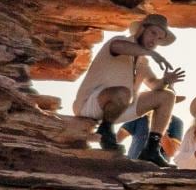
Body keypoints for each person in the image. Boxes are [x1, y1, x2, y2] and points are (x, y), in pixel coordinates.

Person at [72, 13, 185, 167]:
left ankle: (151, 150)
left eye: (159, 38)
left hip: (120, 107)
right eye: (153, 33)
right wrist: (151, 53)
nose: (154, 40)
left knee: (167, 96)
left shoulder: (142, 61)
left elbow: (154, 85)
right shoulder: (120, 42)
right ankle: (105, 132)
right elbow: (119, 47)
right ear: (141, 29)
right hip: (90, 105)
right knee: (124, 92)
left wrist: (166, 80)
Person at [118, 113, 185, 162]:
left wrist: (160, 126)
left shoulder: (176, 122)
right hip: (133, 166)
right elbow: (117, 138)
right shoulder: (138, 117)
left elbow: (171, 152)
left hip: (158, 171)